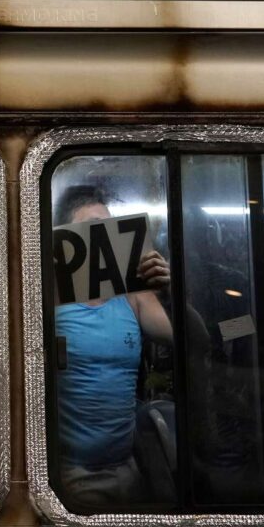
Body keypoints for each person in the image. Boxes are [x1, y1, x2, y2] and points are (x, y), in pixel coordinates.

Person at [52, 185, 172, 507]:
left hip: (127, 468)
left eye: (107, 227)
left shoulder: (132, 296)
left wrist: (168, 290)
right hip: (69, 475)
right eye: (91, 229)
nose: (101, 237)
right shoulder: (49, 297)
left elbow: (194, 339)